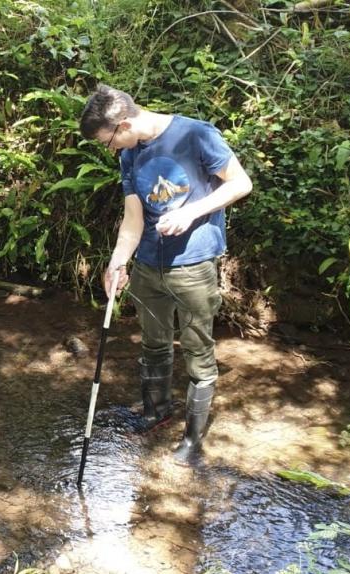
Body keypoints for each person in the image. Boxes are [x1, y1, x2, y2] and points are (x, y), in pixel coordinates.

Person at [78, 84, 252, 465]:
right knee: (153, 344)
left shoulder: (196, 134)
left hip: (193, 265)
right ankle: (156, 412)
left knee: (197, 353)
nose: (113, 151)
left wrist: (191, 212)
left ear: (123, 124)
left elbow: (241, 183)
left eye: (109, 142)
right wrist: (118, 261)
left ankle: (192, 441)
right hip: (148, 267)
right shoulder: (130, 155)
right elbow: (133, 218)